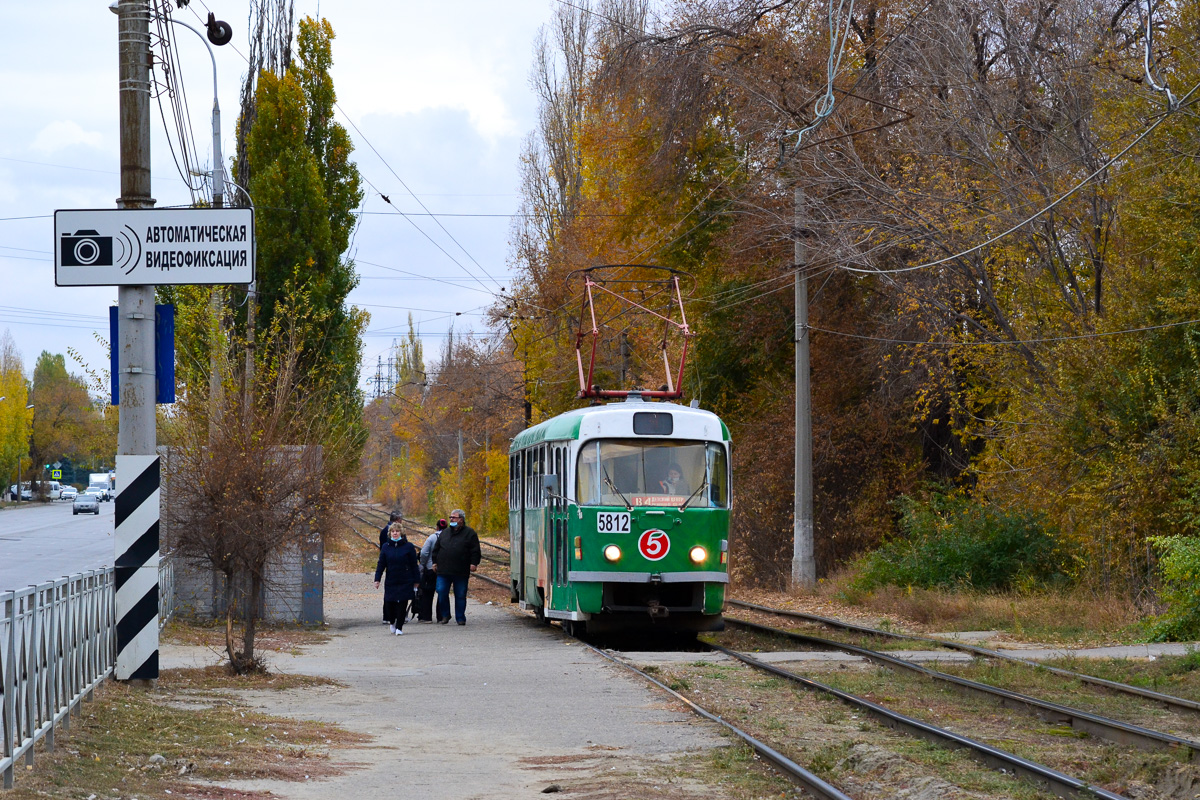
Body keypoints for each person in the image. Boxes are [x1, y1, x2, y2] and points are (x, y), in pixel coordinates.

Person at [432, 508, 481, 626]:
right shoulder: (445, 533)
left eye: (454, 517)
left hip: (461, 571)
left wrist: (474, 563)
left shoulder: (470, 533)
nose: (451, 519)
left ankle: (460, 617)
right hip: (443, 570)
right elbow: (436, 549)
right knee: (441, 591)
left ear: (461, 520)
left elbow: (475, 550)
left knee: (460, 595)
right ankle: (445, 614)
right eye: (451, 517)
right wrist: (434, 562)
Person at [374, 523, 419, 635]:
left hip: (405, 579)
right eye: (393, 531)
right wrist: (377, 579)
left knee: (402, 603)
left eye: (397, 531)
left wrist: (416, 580)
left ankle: (399, 626)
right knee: (389, 603)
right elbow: (381, 564)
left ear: (401, 533)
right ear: (390, 533)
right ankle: (392, 621)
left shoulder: (408, 546)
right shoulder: (386, 547)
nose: (395, 533)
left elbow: (414, 565)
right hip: (391, 579)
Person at [415, 519, 446, 623]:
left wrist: (423, 564)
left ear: (437, 527)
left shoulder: (432, 538)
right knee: (442, 592)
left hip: (430, 569)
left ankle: (426, 617)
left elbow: (424, 553)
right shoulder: (448, 537)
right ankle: (441, 617)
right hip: (444, 569)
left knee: (427, 593)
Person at [378, 511, 402, 623]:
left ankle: (391, 615)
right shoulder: (388, 532)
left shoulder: (385, 530)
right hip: (392, 564)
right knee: (392, 592)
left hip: (391, 564)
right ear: (397, 520)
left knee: (392, 592)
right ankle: (389, 616)